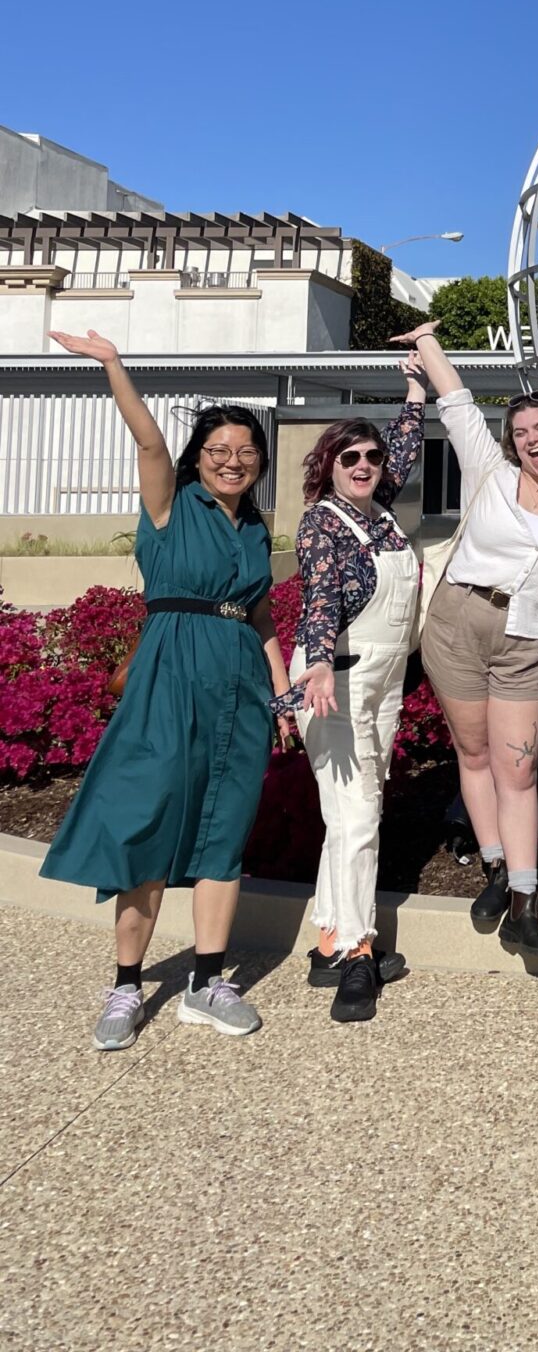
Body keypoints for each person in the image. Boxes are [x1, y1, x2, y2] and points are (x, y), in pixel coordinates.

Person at [41, 329, 292, 1048]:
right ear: (197, 460)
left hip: (240, 684)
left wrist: (280, 698)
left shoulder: (254, 532)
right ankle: (126, 986)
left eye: (245, 451)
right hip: (170, 676)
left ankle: (208, 980)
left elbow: (264, 617)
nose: (232, 461)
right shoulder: (167, 506)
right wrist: (114, 366)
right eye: (218, 451)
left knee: (223, 832)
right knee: (146, 823)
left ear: (259, 462)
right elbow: (150, 444)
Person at [394, 325, 538, 977]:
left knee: (519, 769)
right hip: (457, 623)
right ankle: (499, 870)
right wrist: (426, 342)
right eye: (523, 431)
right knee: (473, 754)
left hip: (527, 642)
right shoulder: (491, 471)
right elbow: (456, 399)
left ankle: (527, 905)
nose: (533, 439)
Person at [275, 356, 428, 1022]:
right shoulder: (323, 525)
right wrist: (314, 664)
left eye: (370, 456)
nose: (365, 464)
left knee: (350, 817)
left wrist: (416, 390)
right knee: (360, 818)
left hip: (384, 680)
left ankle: (329, 936)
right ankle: (358, 956)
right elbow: (320, 595)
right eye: (350, 457)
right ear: (328, 467)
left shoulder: (381, 516)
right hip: (334, 679)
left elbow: (405, 448)